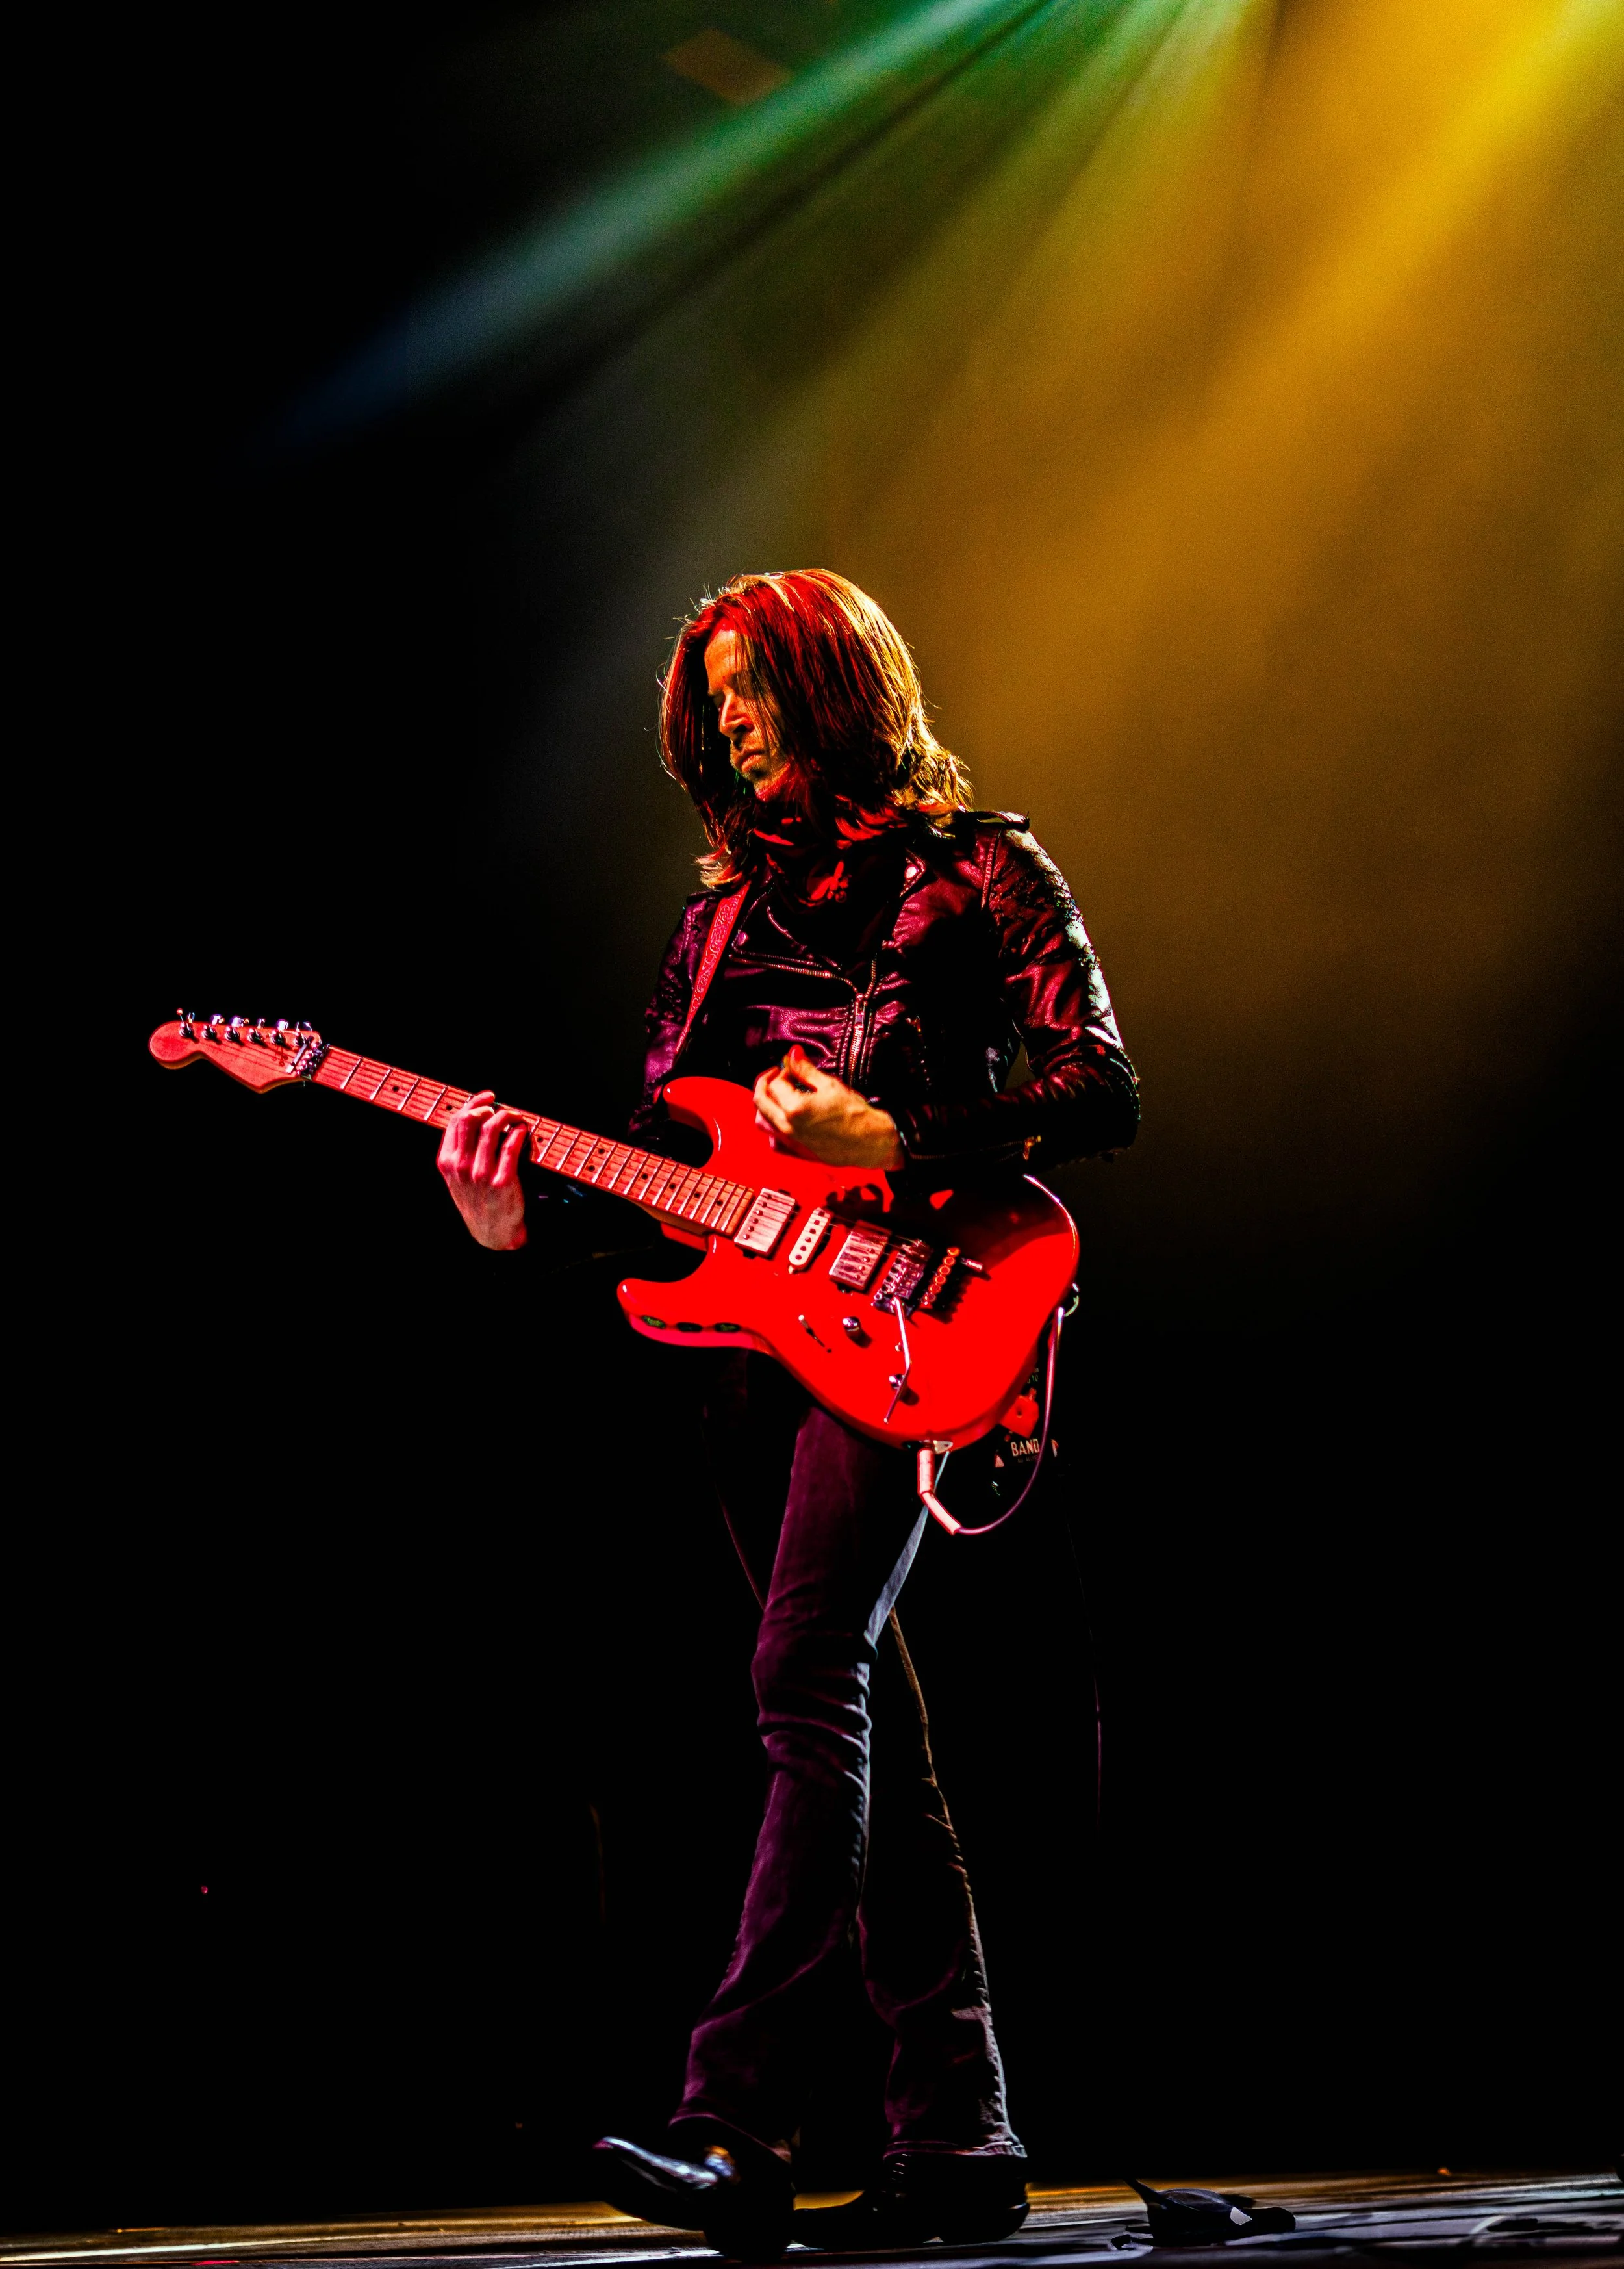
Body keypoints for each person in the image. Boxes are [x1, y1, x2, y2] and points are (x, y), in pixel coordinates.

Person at [437, 572, 1138, 2258]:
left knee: (800, 1673)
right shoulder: (714, 929)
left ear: (832, 688)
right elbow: (662, 1169)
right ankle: (953, 2128)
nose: (731, 723)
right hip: (756, 1355)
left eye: (754, 691)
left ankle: (730, 2111)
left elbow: (1098, 1082)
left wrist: (888, 1140)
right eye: (714, 702)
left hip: (917, 1311)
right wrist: (520, 1210)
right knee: (842, 1722)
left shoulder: (978, 865)